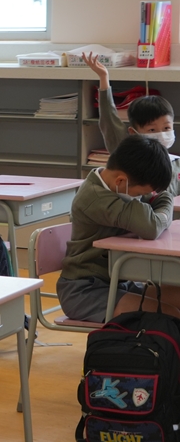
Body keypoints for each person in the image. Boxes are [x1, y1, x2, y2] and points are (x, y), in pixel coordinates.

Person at [58, 134, 180, 321]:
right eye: (141, 193)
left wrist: (159, 212)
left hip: (118, 282)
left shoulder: (124, 184)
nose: (143, 196)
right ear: (120, 181)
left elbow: (163, 198)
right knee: (170, 314)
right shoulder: (96, 198)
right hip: (84, 290)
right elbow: (151, 227)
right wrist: (162, 215)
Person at [86, 51, 180, 196]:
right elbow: (109, 118)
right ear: (133, 132)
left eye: (166, 128)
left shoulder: (176, 163)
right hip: (135, 210)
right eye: (152, 130)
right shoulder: (128, 153)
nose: (161, 134)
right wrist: (104, 78)